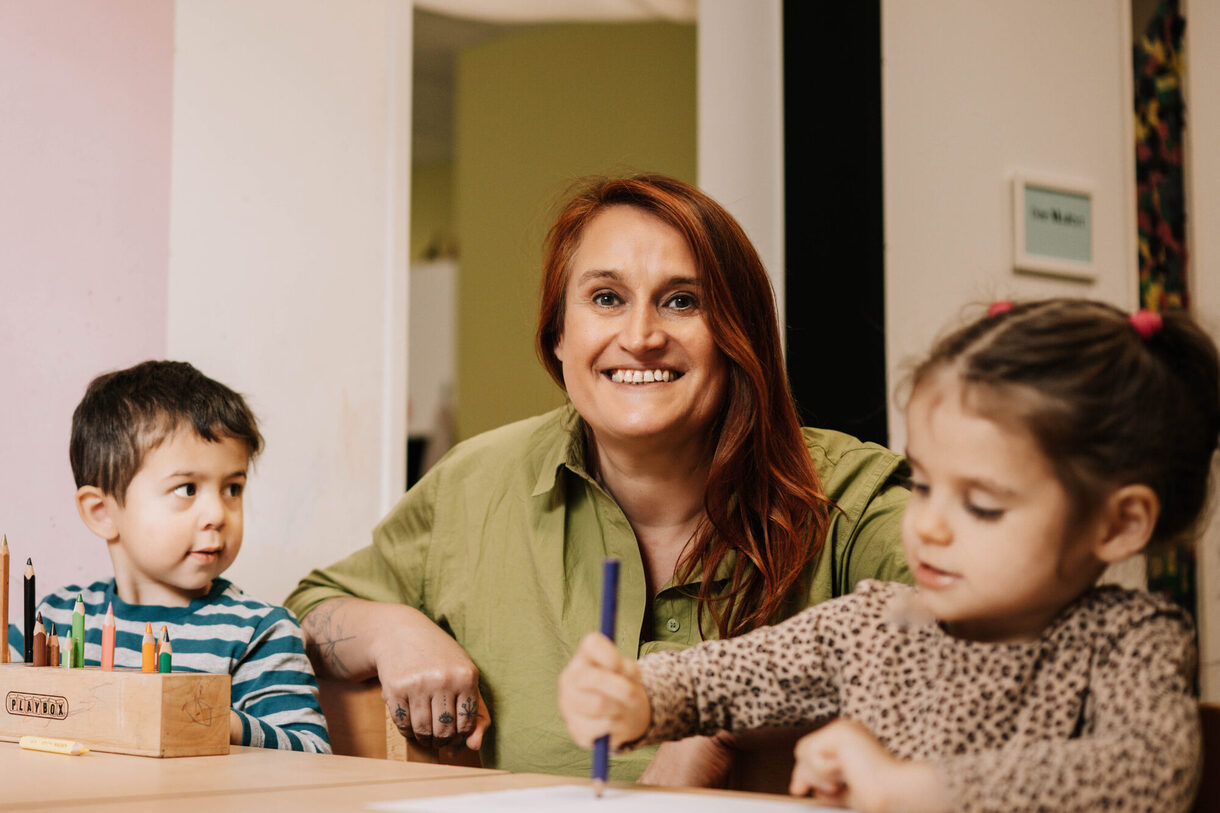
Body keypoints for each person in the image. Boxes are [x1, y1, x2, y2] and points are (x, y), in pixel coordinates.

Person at [285, 174, 910, 781]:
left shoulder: (852, 495)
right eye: (607, 298)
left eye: (683, 301)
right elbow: (307, 612)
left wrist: (714, 718)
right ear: (559, 334)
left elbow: (980, 642)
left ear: (737, 335)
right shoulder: (476, 480)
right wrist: (395, 630)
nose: (640, 337)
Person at [559, 298, 1217, 812]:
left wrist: (909, 790)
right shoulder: (876, 624)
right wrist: (634, 696)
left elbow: (1148, 774)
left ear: (1119, 523)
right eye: (924, 485)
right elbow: (715, 680)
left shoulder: (1128, 639)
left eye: (982, 505)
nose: (927, 525)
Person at [7, 361, 330, 753]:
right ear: (102, 512)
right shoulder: (54, 619)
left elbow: (313, 753)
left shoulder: (259, 632)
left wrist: (206, 719)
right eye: (187, 489)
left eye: (233, 488)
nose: (217, 514)